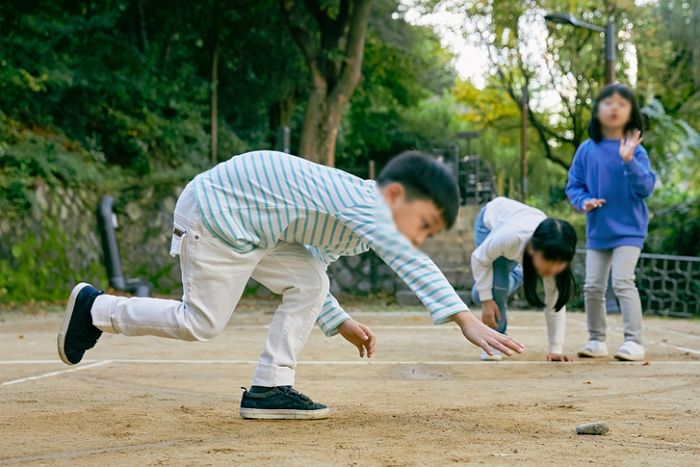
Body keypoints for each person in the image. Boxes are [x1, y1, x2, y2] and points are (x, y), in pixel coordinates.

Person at [58, 150, 523, 420]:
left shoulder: (356, 214)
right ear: (395, 195)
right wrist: (463, 318)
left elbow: (310, 272)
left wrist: (339, 321)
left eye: (428, 232)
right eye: (422, 223)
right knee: (200, 323)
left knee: (309, 280)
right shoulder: (366, 205)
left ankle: (269, 388)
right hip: (219, 215)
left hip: (254, 225)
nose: (418, 237)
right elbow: (409, 260)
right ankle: (96, 310)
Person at [566, 83, 656, 361]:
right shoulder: (586, 149)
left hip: (629, 230)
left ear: (630, 113)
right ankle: (596, 340)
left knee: (622, 281)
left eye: (622, 103)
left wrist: (629, 160)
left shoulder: (635, 149)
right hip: (599, 230)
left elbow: (645, 188)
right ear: (597, 110)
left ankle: (634, 342)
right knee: (592, 286)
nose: (614, 107)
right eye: (608, 102)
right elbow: (574, 186)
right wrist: (584, 202)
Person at [470, 197, 577, 362]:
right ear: (533, 250)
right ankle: (496, 342)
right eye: (549, 262)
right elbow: (479, 258)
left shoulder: (553, 255)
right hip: (490, 222)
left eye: (560, 264)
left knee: (495, 287)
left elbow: (554, 305)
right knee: (491, 290)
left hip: (517, 243)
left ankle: (514, 276)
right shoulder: (510, 238)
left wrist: (556, 349)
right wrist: (486, 300)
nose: (553, 270)